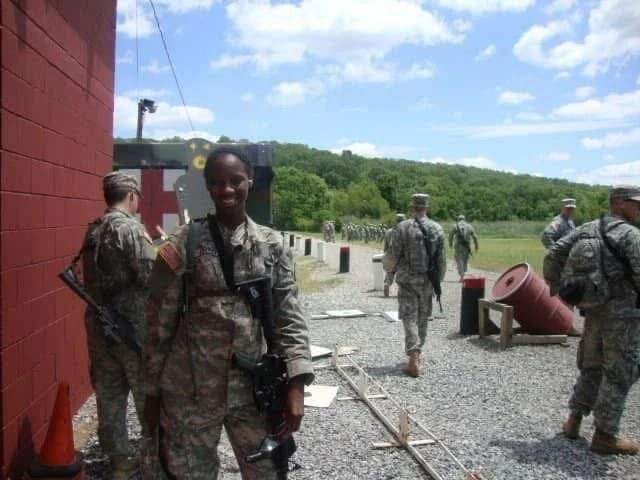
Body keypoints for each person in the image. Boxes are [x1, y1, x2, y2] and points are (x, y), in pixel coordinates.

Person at [143, 146, 314, 479]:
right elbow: (158, 322)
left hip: (253, 394)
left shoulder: (273, 246)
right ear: (208, 187)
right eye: (218, 182)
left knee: (267, 472)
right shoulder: (184, 243)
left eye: (236, 180)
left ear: (249, 179)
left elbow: (289, 318)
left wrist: (296, 387)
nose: (227, 189)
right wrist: (151, 393)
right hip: (189, 392)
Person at [543, 185, 640, 455]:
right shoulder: (631, 236)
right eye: (635, 203)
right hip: (624, 315)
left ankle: (574, 421)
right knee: (620, 372)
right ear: (619, 203)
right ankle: (605, 435)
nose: (639, 208)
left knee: (591, 365)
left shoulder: (586, 228)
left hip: (594, 310)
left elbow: (553, 254)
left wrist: (556, 289)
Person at [87, 171, 156, 479]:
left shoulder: (93, 231)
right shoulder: (131, 230)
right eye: (137, 196)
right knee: (146, 395)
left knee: (109, 396)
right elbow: (149, 278)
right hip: (132, 330)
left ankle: (118, 462)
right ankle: (153, 458)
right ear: (131, 195)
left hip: (100, 327)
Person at [382, 194, 446, 377]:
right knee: (423, 317)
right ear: (427, 207)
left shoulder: (402, 228)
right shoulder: (437, 229)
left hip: (408, 281)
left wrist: (389, 273)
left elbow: (392, 256)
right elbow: (441, 262)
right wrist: (437, 282)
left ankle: (414, 358)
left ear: (412, 207)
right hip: (427, 281)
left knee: (409, 317)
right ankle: (418, 354)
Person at [448, 214, 479, 283]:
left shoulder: (455, 225)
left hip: (458, 247)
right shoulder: (469, 226)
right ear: (464, 219)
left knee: (459, 260)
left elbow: (450, 236)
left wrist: (450, 243)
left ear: (458, 219)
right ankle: (463, 273)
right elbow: (475, 237)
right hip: (467, 247)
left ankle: (462, 275)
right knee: (465, 260)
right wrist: (476, 246)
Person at [382, 214, 406, 297]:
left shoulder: (389, 231)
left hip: (391, 255)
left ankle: (387, 283)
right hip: (402, 257)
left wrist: (386, 255)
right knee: (402, 274)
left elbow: (385, 247)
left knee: (390, 272)